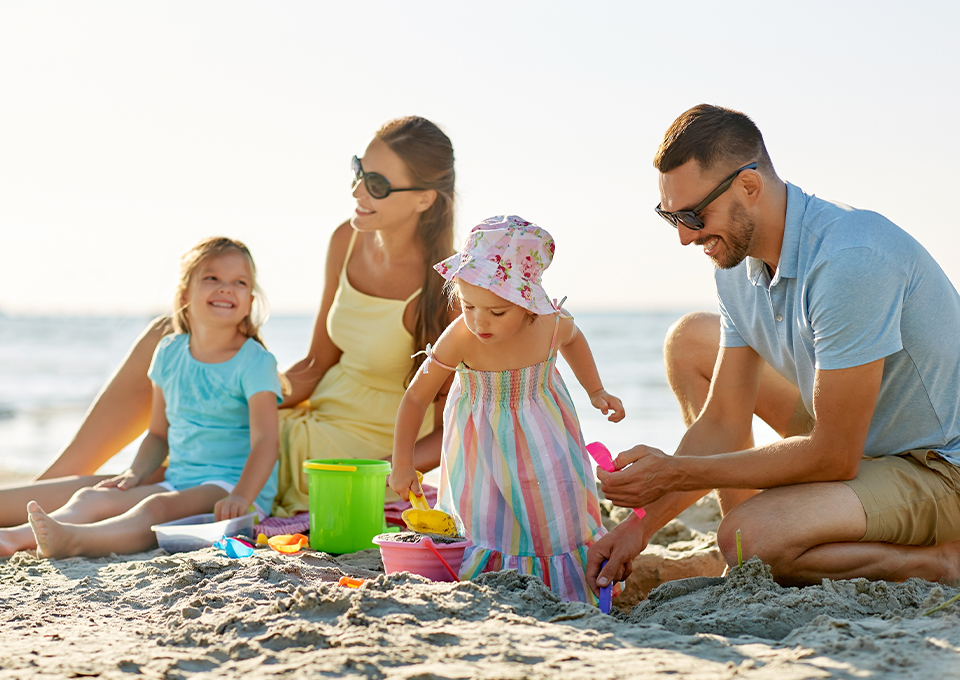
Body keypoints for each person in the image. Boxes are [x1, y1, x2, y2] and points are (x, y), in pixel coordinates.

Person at [0, 116, 456, 529]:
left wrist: (380, 472)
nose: (356, 191)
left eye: (376, 184)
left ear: (424, 199)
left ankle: (30, 509)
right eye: (357, 171)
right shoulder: (348, 239)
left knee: (156, 488)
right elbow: (317, 363)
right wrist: (240, 386)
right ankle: (38, 496)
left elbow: (451, 422)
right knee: (173, 343)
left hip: (352, 459)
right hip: (297, 423)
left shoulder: (451, 289)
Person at [588, 104, 960, 594]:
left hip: (937, 466)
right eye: (670, 216)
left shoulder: (850, 259)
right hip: (860, 438)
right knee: (691, 341)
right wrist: (639, 528)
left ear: (748, 186)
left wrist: (674, 473)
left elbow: (835, 456)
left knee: (751, 538)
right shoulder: (737, 268)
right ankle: (753, 548)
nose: (684, 236)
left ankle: (943, 562)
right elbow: (724, 420)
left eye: (694, 215)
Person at [389, 215, 625, 604]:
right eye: (468, 305)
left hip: (545, 437)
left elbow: (574, 340)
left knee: (555, 512)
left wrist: (595, 390)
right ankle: (488, 586)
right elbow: (416, 397)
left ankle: (565, 591)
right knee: (484, 519)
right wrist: (402, 463)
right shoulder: (461, 337)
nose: (479, 321)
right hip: (480, 449)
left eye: (497, 312)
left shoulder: (551, 324)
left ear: (528, 303)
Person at [0, 237, 283, 557]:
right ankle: (13, 537)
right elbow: (158, 434)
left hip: (234, 488)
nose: (226, 288)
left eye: (240, 282)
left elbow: (266, 442)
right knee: (92, 497)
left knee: (156, 507)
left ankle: (76, 540)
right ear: (185, 294)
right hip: (180, 479)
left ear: (250, 300)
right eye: (212, 278)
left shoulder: (255, 361)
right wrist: (135, 473)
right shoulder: (168, 352)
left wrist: (242, 496)